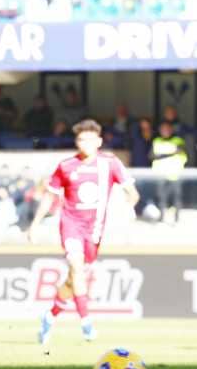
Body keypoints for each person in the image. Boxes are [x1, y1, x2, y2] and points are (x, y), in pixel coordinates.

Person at [27, 120, 139, 345]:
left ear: (98, 141)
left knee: (72, 280)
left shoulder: (111, 163)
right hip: (71, 226)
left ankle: (50, 316)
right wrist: (35, 224)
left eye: (89, 139)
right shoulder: (66, 165)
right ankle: (86, 323)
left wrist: (129, 207)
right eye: (80, 139)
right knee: (77, 268)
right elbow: (50, 196)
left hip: (95, 230)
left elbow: (132, 193)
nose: (84, 143)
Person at [151, 122, 187, 224]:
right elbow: (152, 155)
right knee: (161, 197)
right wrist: (172, 152)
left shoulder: (178, 140)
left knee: (176, 197)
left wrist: (161, 154)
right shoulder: (156, 140)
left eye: (167, 129)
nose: (165, 131)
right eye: (163, 129)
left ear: (171, 130)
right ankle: (162, 217)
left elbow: (180, 151)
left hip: (175, 173)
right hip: (160, 173)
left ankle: (176, 218)